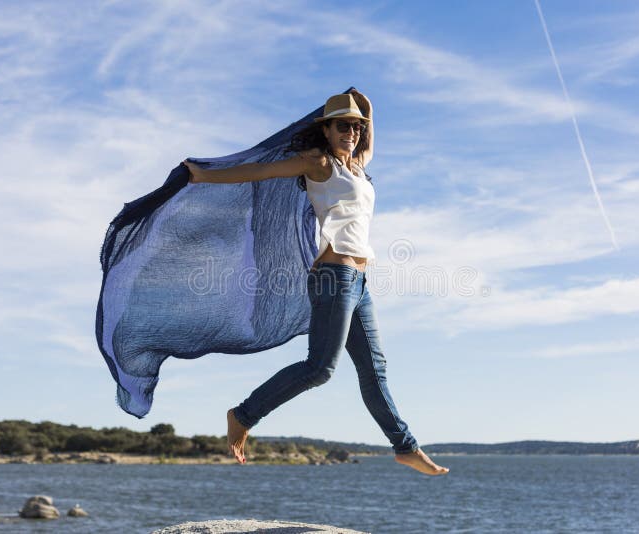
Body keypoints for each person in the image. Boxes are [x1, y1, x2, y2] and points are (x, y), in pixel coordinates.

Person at [184, 90, 448, 476]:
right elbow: (260, 171)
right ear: (325, 130)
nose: (353, 133)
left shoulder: (358, 163)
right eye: (343, 126)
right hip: (333, 277)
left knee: (375, 370)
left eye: (356, 127)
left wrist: (361, 103)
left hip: (360, 282)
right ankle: (243, 415)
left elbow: (370, 124)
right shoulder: (320, 163)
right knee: (320, 369)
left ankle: (404, 447)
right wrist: (206, 175)